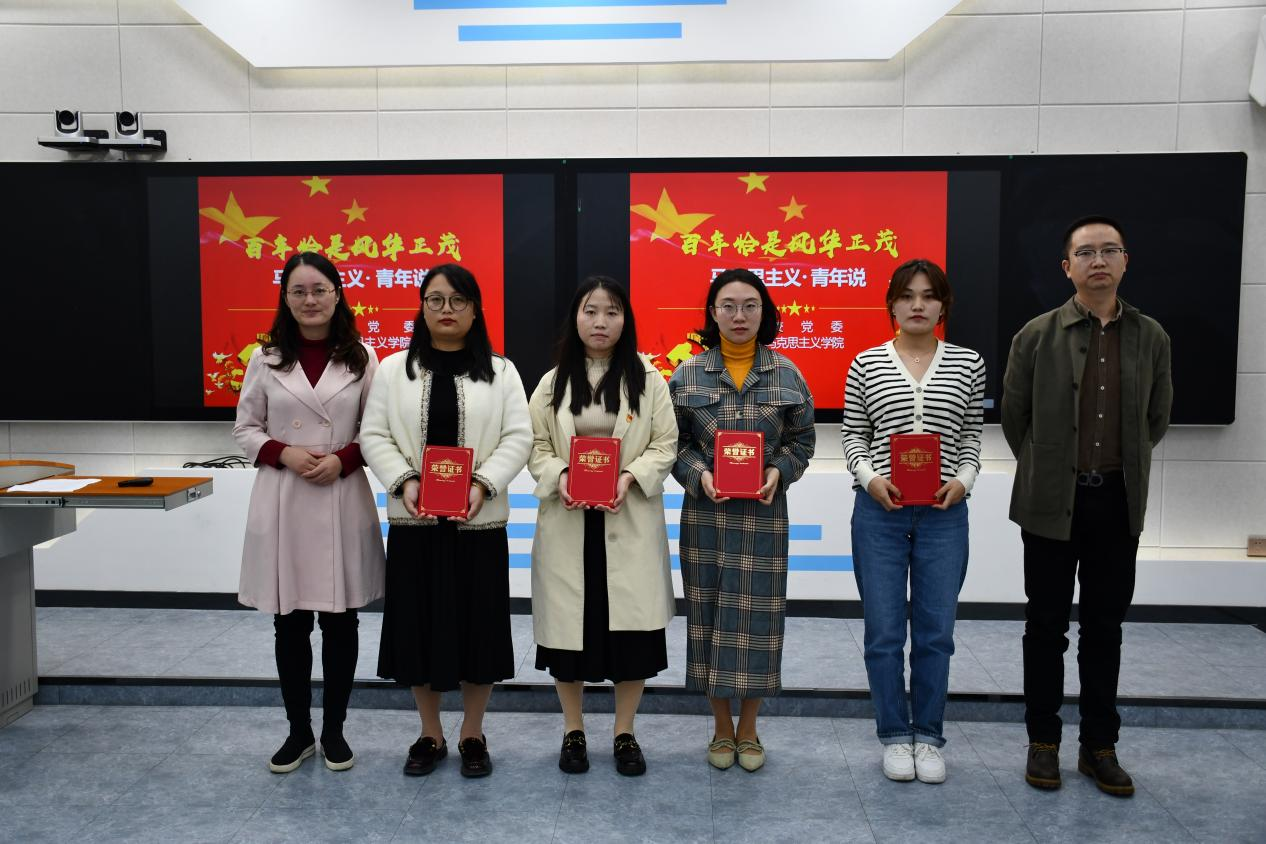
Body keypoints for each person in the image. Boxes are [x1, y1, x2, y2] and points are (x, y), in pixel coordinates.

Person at [1002, 215, 1172, 797]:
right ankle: (1043, 742)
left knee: (1105, 628)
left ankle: (1099, 746)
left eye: (1109, 251)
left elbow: (1156, 419)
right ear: (1066, 266)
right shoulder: (1035, 335)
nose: (1098, 261)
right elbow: (1016, 419)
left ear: (1125, 261)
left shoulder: (1151, 337)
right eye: (1086, 252)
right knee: (1045, 627)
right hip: (1051, 501)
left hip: (1117, 502)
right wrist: (1052, 466)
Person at [360, 263, 531, 779]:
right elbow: (373, 435)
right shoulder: (394, 369)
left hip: (478, 524)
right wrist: (404, 480)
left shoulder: (501, 372)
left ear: (475, 309)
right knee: (419, 629)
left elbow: (518, 437)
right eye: (435, 300)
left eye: (458, 300)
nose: (446, 310)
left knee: (479, 630)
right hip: (415, 524)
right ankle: (430, 733)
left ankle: (472, 733)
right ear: (422, 308)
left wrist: (483, 484)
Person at [234, 251, 385, 774]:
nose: (310, 300)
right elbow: (245, 429)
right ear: (285, 298)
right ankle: (298, 731)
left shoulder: (363, 358)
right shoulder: (265, 358)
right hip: (286, 497)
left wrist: (344, 460)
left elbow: (377, 432)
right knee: (290, 623)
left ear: (338, 294)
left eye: (319, 289)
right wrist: (285, 453)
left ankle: (335, 730)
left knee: (341, 623)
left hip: (340, 493)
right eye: (298, 291)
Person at [842, 258, 985, 784]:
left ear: (944, 305)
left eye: (928, 295)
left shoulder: (968, 363)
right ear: (892, 305)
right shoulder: (866, 363)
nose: (918, 305)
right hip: (880, 514)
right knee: (883, 633)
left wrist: (964, 480)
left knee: (935, 634)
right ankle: (894, 736)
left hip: (944, 516)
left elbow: (971, 435)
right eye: (907, 296)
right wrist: (869, 478)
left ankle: (928, 735)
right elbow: (854, 435)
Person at [527, 276, 677, 777]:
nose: (600, 322)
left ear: (625, 320)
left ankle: (624, 732)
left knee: (631, 639)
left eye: (612, 312)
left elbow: (665, 444)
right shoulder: (551, 383)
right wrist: (561, 476)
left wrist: (630, 476)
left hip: (626, 517)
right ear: (576, 318)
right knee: (568, 636)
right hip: (570, 520)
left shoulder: (649, 379)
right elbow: (535, 445)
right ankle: (573, 730)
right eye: (590, 311)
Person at [668, 268, 815, 772]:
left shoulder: (787, 374)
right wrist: (699, 474)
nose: (739, 315)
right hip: (705, 514)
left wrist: (779, 471)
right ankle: (719, 727)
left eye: (750, 305)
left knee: (758, 620)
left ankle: (749, 729)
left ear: (764, 312)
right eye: (727, 305)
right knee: (707, 614)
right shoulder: (687, 375)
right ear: (712, 313)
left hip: (763, 516)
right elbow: (674, 444)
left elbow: (802, 441)